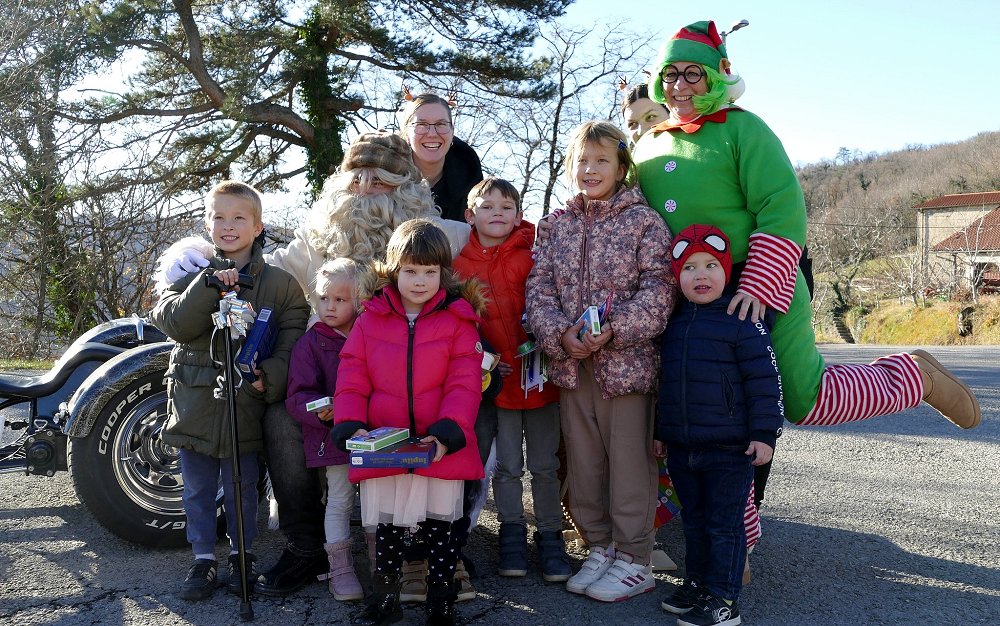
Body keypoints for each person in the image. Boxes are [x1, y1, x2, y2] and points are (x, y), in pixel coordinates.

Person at [161, 132, 473, 596]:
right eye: (358, 178)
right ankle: (307, 546)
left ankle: (427, 542)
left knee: (441, 416)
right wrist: (201, 261)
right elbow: (272, 265)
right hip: (327, 367)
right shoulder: (319, 234)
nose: (366, 189)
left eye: (381, 180)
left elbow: (484, 245)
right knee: (282, 419)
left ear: (405, 185)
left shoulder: (439, 235)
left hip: (403, 371)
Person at [635, 21, 979, 431]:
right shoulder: (646, 146)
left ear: (715, 76)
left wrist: (759, 283)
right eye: (670, 74)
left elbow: (781, 208)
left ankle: (912, 378)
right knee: (701, 406)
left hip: (756, 282)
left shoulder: (743, 129)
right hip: (684, 290)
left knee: (802, 398)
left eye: (693, 73)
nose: (680, 85)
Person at [525, 121, 675, 602]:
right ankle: (600, 545)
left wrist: (617, 328)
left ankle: (635, 557)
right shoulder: (555, 224)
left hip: (627, 368)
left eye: (601, 160)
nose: (590, 169)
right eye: (582, 161)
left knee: (629, 464)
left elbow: (660, 288)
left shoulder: (644, 222)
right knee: (586, 463)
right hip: (573, 365)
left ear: (621, 166)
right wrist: (559, 335)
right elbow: (538, 288)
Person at [149, 181, 309, 601]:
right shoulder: (185, 270)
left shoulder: (281, 284)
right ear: (207, 222)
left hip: (246, 402)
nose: (228, 225)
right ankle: (203, 558)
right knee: (198, 489)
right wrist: (206, 287)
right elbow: (175, 323)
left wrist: (268, 376)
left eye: (239, 217)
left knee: (243, 485)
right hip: (194, 400)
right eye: (218, 216)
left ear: (258, 227)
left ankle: (244, 555)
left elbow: (294, 339)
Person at [331, 219, 485, 626]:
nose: (420, 281)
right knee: (388, 527)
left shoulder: (459, 320)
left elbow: (465, 384)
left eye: (430, 272)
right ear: (393, 270)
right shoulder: (370, 319)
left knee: (441, 526)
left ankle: (441, 599)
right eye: (410, 271)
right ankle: (385, 598)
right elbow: (352, 375)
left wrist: (448, 433)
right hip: (386, 443)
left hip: (439, 445)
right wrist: (351, 423)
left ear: (442, 274)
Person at [654, 224, 783, 626]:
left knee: (723, 526)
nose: (701, 275)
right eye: (689, 268)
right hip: (682, 446)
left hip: (729, 449)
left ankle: (724, 599)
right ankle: (698, 584)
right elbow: (667, 385)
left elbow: (765, 380)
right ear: (678, 277)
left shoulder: (741, 319)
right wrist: (662, 431)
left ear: (727, 272)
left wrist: (764, 434)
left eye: (711, 265)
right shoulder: (673, 324)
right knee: (693, 521)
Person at [452, 178, 570, 582]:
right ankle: (512, 534)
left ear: (519, 215)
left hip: (541, 380)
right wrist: (485, 362)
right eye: (487, 206)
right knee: (505, 467)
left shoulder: (534, 257)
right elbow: (460, 329)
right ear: (470, 215)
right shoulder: (459, 268)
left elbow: (553, 304)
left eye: (507, 206)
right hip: (498, 387)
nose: (497, 212)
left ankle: (551, 536)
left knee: (544, 464)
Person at [284, 258, 364, 601]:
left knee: (376, 503)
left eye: (340, 300)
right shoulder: (309, 344)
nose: (330, 306)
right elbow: (297, 395)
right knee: (339, 501)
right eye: (323, 298)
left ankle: (381, 563)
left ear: (358, 301)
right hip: (334, 438)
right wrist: (321, 411)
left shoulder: (369, 334)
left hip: (373, 435)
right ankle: (341, 567)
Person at [400, 92, 484, 223]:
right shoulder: (381, 178)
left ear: (452, 132)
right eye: (421, 124)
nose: (432, 134)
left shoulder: (470, 178)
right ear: (406, 133)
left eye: (441, 124)